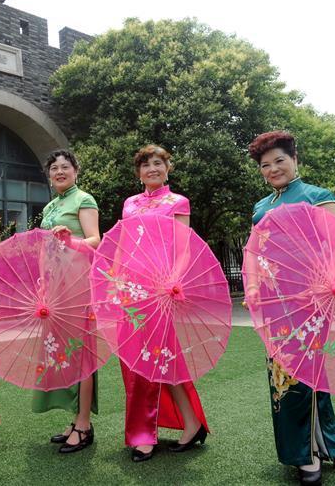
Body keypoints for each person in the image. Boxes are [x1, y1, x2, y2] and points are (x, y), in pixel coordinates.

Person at [246, 131, 335, 486]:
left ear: (294, 158)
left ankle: (311, 454)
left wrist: (322, 286)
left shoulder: (319, 197)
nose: (272, 169)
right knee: (281, 378)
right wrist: (254, 286)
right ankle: (321, 444)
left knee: (305, 377)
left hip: (310, 300)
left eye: (279, 161)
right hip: (274, 304)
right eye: (265, 165)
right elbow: (254, 253)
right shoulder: (261, 207)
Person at [119, 145, 210, 462]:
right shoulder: (130, 204)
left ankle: (144, 435)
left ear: (167, 168)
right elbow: (123, 244)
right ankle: (192, 422)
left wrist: (173, 279)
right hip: (130, 288)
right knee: (141, 361)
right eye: (145, 165)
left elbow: (184, 247)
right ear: (139, 172)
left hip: (160, 288)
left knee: (153, 358)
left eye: (158, 163)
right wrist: (115, 278)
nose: (152, 169)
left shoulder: (177, 202)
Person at [34, 149, 101, 454]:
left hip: (78, 284)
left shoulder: (83, 199)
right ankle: (76, 419)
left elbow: (95, 240)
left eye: (65, 167)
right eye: (54, 168)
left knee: (83, 353)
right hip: (54, 286)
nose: (59, 171)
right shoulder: (50, 206)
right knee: (64, 353)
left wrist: (70, 240)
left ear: (76, 171)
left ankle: (84, 424)